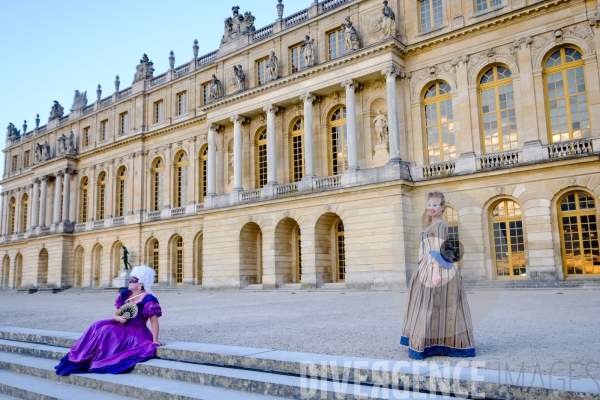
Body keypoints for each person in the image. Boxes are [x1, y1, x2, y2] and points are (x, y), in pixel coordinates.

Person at [400, 191, 475, 359]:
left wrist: (435, 273)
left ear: (442, 207)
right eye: (429, 205)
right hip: (426, 266)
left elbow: (438, 250)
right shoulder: (431, 224)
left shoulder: (441, 225)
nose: (431, 208)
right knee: (430, 306)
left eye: (435, 205)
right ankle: (431, 341)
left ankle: (438, 344)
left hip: (436, 268)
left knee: (430, 306)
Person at [55, 265, 163, 375]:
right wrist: (117, 317)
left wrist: (155, 340)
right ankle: (82, 357)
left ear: (141, 283)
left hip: (135, 332)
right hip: (120, 325)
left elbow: (154, 322)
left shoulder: (148, 299)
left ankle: (94, 360)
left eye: (133, 280)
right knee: (96, 325)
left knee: (106, 330)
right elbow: (115, 313)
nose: (130, 282)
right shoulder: (125, 295)